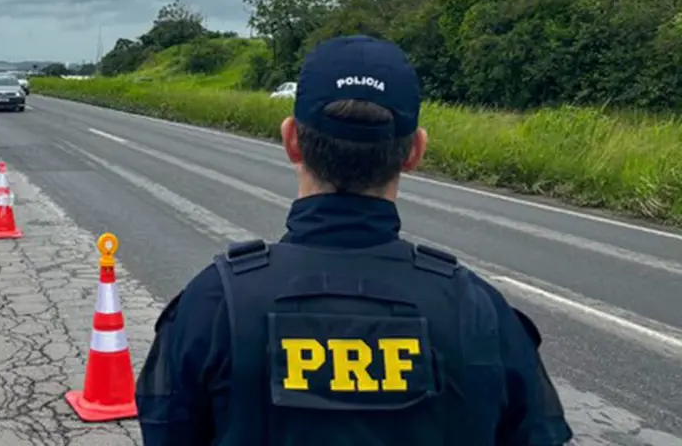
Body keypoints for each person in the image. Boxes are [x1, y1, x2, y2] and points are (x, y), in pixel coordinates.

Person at [134, 35, 573, 445]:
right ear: (415, 151)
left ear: (291, 140)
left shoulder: (212, 304)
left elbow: (166, 429)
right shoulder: (481, 312)